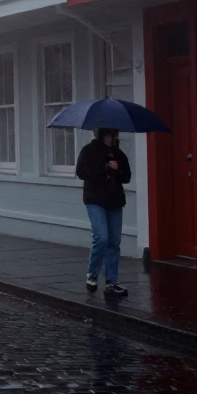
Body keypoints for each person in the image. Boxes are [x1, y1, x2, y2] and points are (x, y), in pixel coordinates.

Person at [76, 127, 131, 297]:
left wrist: (117, 169)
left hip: (114, 200)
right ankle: (92, 275)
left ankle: (111, 282)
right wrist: (104, 166)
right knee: (102, 237)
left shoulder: (118, 153)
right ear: (107, 134)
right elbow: (81, 172)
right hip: (95, 199)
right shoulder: (89, 151)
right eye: (114, 133)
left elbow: (127, 177)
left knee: (114, 241)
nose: (117, 136)